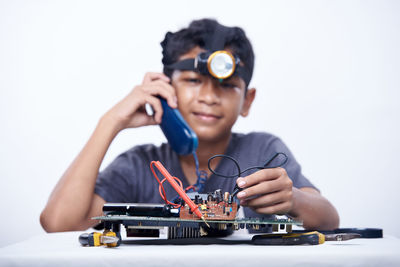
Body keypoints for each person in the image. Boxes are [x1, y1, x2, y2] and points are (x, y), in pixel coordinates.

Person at [40, 18, 339, 233]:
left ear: (247, 100)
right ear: (165, 87)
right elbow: (59, 223)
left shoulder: (262, 150)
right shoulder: (138, 164)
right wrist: (110, 122)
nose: (209, 97)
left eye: (227, 86)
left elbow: (329, 219)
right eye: (194, 81)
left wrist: (293, 199)